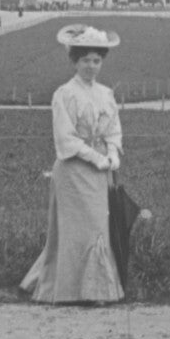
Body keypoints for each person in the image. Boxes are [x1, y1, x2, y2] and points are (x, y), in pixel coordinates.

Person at [21, 25, 125, 304]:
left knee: (98, 227)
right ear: (75, 62)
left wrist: (112, 153)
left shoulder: (106, 93)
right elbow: (65, 139)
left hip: (101, 172)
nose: (91, 66)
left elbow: (113, 129)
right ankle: (72, 290)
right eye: (85, 60)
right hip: (74, 170)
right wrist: (97, 158)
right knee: (78, 230)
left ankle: (96, 290)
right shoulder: (64, 94)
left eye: (96, 61)